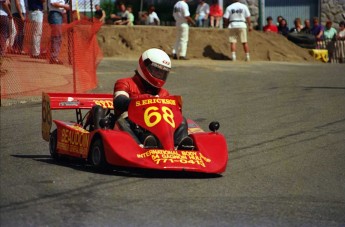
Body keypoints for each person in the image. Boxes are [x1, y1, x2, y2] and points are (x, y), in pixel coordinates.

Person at [113, 48, 193, 149]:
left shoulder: (164, 93)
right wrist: (144, 100)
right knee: (124, 120)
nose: (159, 75)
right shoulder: (125, 83)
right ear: (144, 66)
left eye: (162, 73)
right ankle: (141, 145)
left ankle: (178, 146)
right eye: (156, 70)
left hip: (158, 127)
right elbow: (119, 102)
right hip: (133, 121)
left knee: (181, 120)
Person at [48, 0, 70, 64]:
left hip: (58, 14)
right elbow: (53, 3)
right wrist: (64, 6)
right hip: (55, 14)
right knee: (56, 37)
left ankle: (53, 57)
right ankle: (54, 57)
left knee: (57, 37)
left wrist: (65, 9)